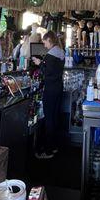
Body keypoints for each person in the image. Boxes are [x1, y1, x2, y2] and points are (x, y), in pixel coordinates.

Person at [32, 31, 65, 159]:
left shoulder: (51, 55)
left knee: (49, 118)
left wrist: (39, 63)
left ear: (50, 40)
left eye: (45, 42)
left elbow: (48, 73)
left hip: (50, 89)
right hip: (58, 88)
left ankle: (48, 150)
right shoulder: (61, 52)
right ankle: (54, 146)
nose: (44, 45)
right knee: (55, 116)